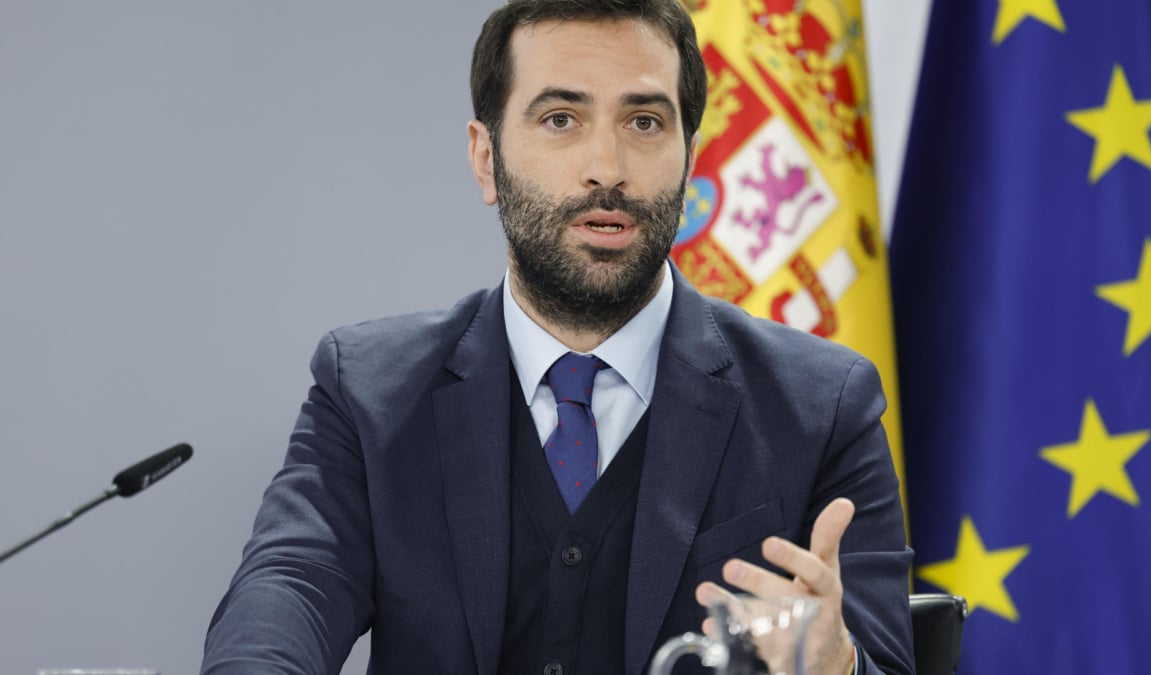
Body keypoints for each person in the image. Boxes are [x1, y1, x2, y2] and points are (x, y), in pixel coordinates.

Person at [200, 1, 914, 674]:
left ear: (690, 156)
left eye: (643, 123)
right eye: (561, 118)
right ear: (487, 158)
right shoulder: (368, 392)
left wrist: (838, 665)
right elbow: (289, 586)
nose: (606, 167)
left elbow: (881, 657)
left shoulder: (823, 407)